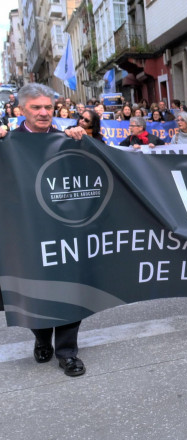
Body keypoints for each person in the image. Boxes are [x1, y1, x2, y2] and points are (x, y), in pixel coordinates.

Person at [0, 83, 88, 376]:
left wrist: (81, 139)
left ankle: (68, 352)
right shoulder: (8, 143)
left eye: (48, 107)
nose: (43, 113)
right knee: (34, 290)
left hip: (65, 230)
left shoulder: (67, 138)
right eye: (36, 107)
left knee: (69, 289)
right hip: (25, 233)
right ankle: (41, 339)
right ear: (21, 110)